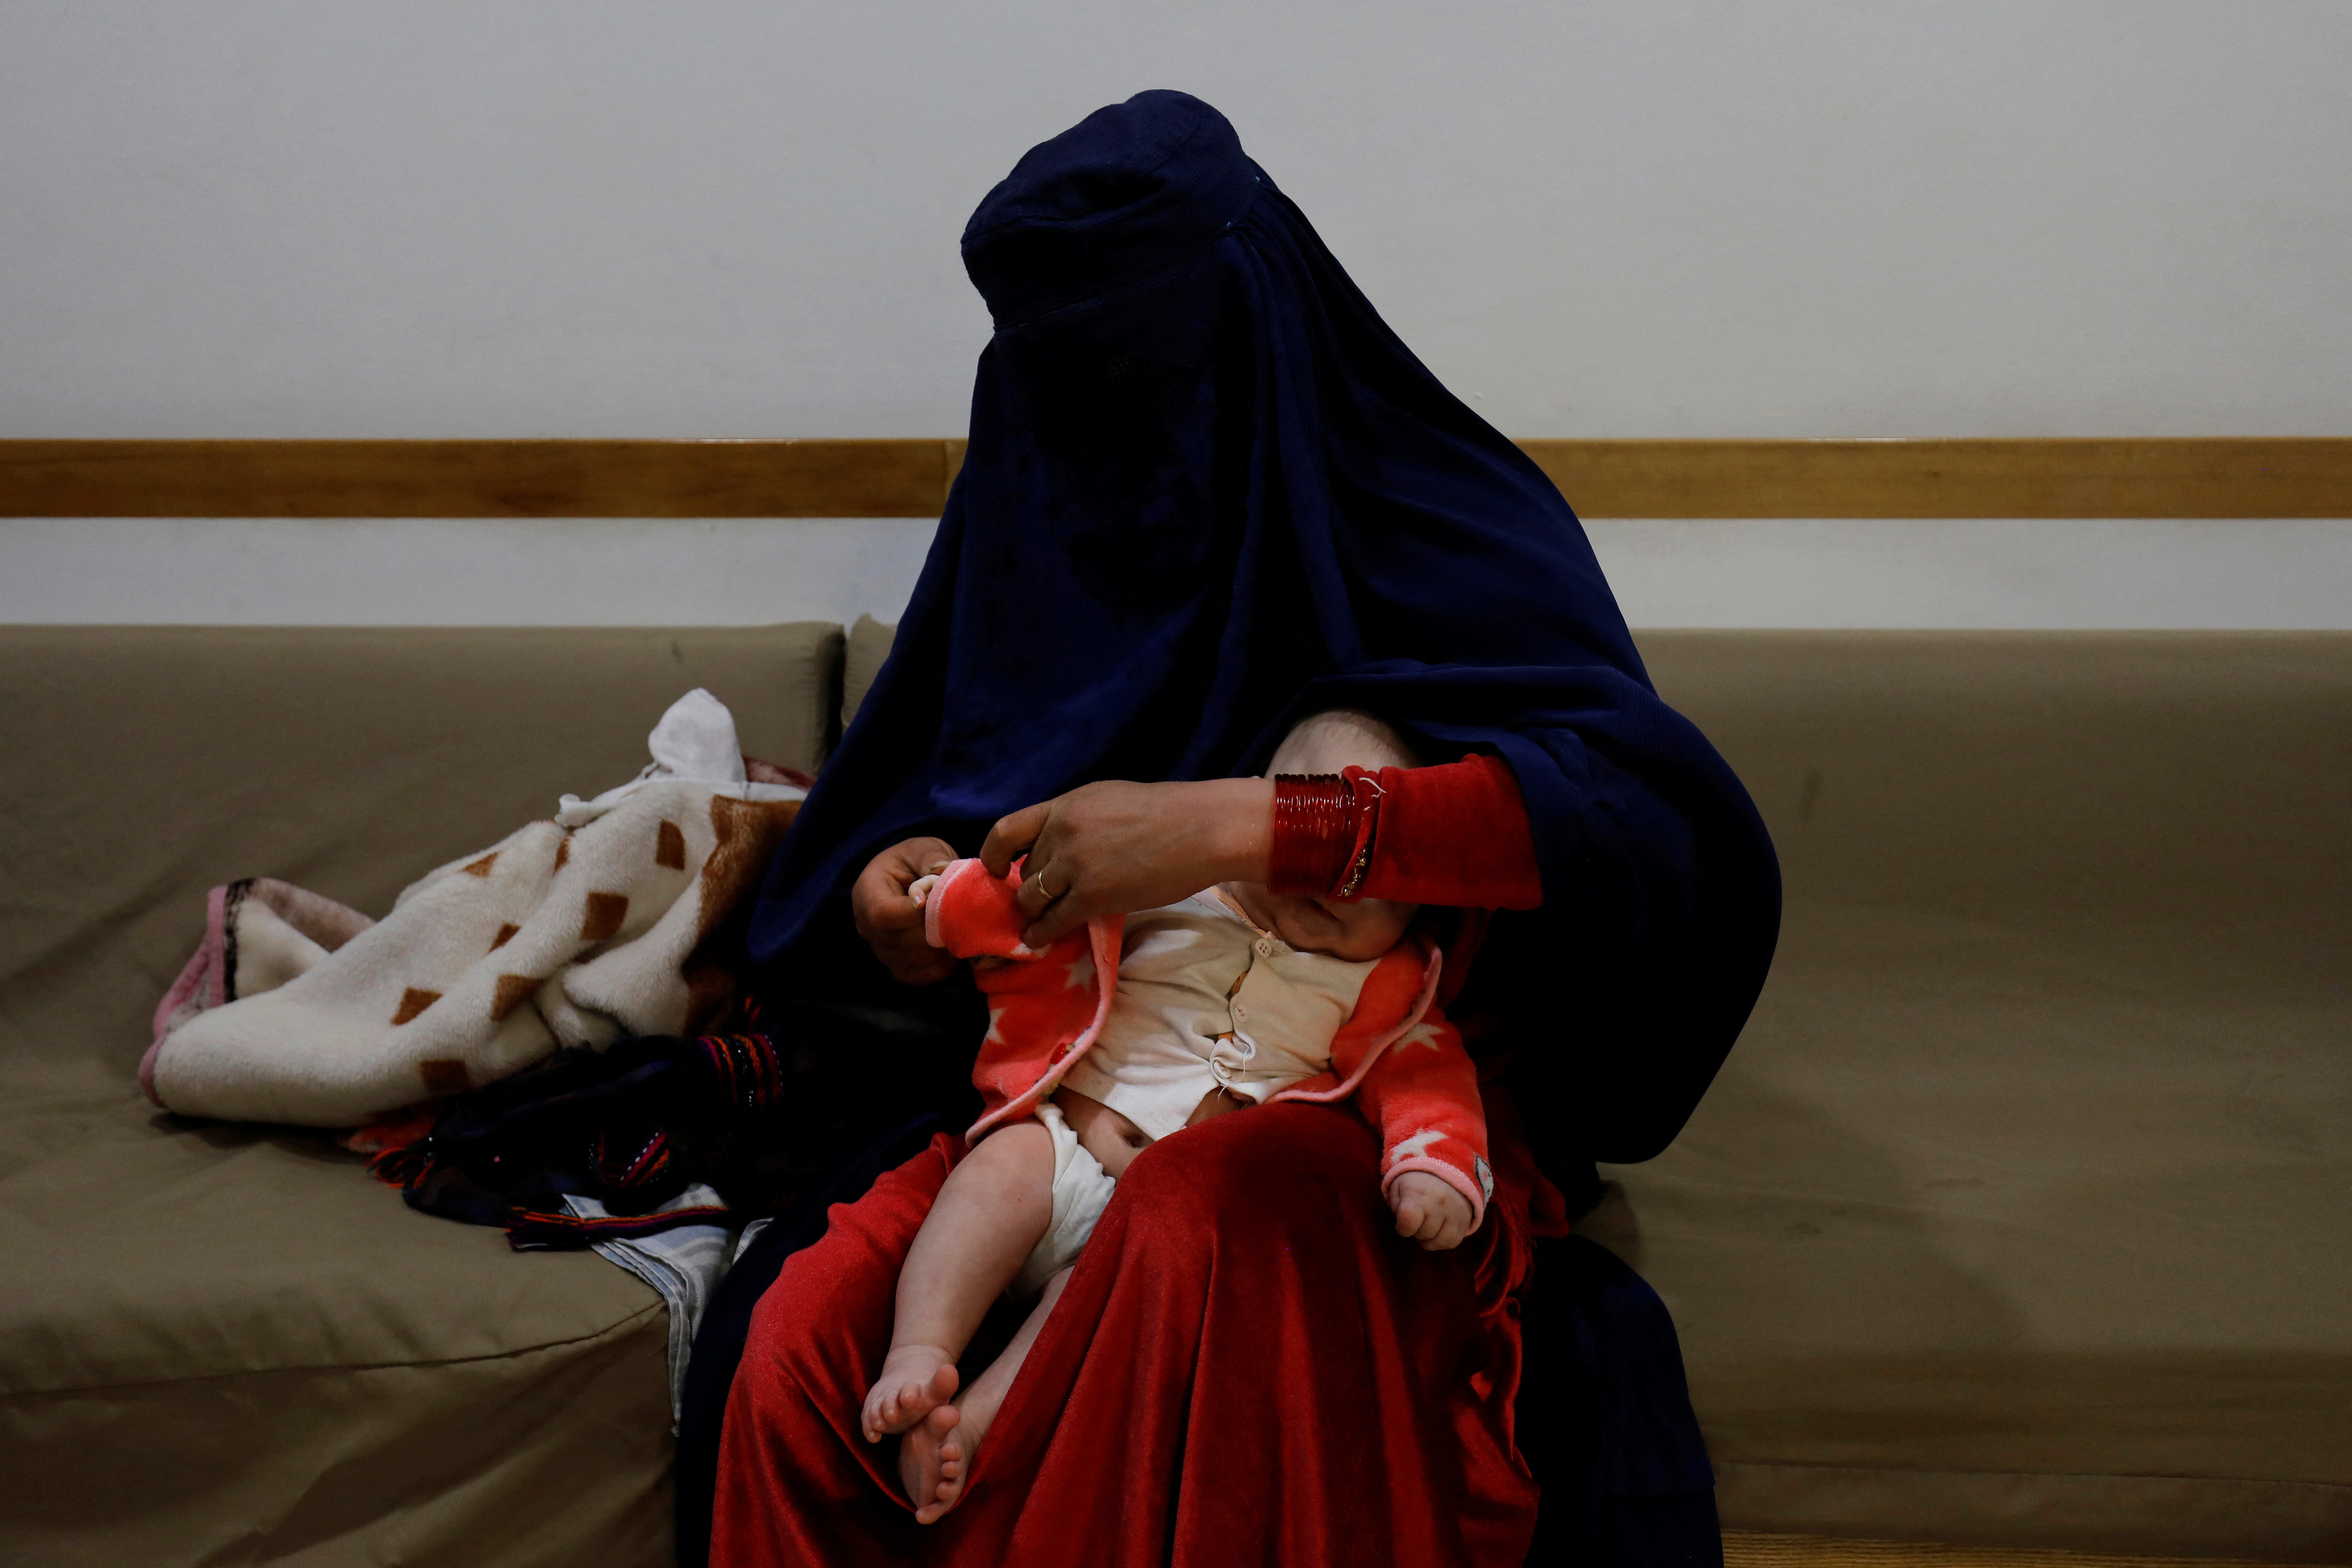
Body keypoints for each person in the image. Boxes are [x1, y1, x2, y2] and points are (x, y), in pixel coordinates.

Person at [690, 89, 1781, 1568]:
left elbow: (1631, 837)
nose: (1118, 419)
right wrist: (894, 912)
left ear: (1260, 324)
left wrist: (1240, 828)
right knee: (790, 1359)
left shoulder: (1433, 511)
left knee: (1198, 1217)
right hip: (1046, 1088)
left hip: (1332, 1095)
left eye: (1152, 369)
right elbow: (915, 828)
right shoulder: (1040, 503)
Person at [861, 711, 1490, 1521]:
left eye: (1370, 871)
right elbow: (1029, 905)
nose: (1334, 882)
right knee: (999, 1171)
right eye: (1311, 837)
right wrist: (945, 900)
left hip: (1148, 1227)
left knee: (1084, 1301)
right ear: (1253, 819)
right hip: (1063, 1151)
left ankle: (969, 1426)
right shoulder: (1169, 886)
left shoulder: (1387, 984)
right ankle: (919, 1350)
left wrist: (1429, 1168)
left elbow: (1428, 1079)